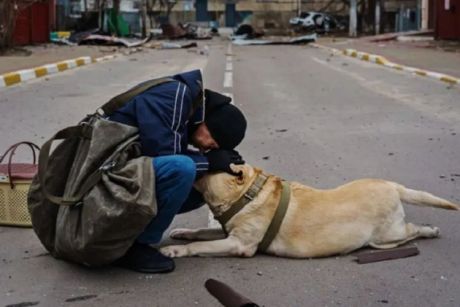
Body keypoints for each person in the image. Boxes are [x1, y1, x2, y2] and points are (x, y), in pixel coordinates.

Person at [109, 70, 247, 273]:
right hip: (103, 177)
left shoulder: (186, 105)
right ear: (209, 124)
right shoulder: (175, 95)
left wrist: (209, 164)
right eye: (213, 142)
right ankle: (136, 248)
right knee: (184, 169)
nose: (206, 147)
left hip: (119, 172)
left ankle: (128, 232)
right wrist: (208, 161)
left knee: (199, 183)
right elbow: (164, 157)